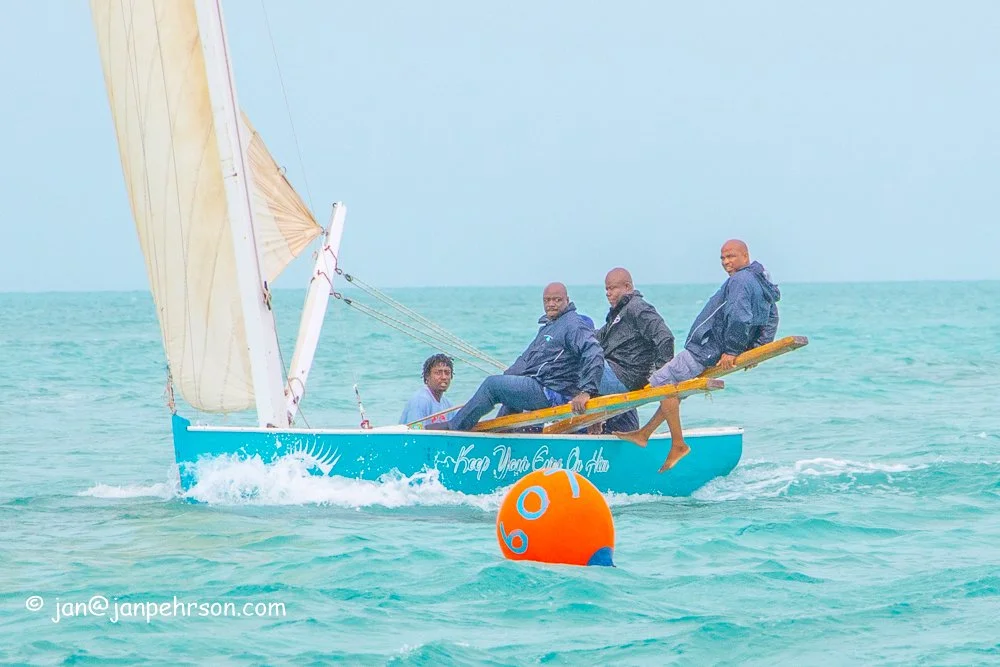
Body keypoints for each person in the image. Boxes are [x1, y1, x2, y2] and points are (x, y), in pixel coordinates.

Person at [616, 240, 780, 471]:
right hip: (715, 349)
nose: (726, 263)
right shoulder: (760, 280)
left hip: (706, 349)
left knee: (661, 385)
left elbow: (739, 316)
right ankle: (644, 434)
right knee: (674, 393)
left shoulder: (739, 281)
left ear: (745, 256)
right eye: (723, 258)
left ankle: (678, 444)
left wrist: (732, 350)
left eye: (731, 257)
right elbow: (771, 315)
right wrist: (758, 346)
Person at [426, 282, 604, 431]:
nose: (551, 304)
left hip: (551, 391)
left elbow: (594, 352)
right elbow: (525, 361)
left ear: (567, 300)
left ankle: (454, 427)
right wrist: (507, 380)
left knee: (491, 385)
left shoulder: (572, 324)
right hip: (539, 384)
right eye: (547, 300)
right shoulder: (550, 326)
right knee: (504, 394)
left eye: (557, 300)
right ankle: (497, 439)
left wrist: (587, 392)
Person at [594, 268, 675, 433]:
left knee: (572, 366)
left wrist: (661, 376)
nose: (608, 293)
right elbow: (596, 338)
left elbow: (665, 337)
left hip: (626, 376)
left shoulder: (637, 308)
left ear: (627, 287)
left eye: (613, 288)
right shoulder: (619, 313)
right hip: (621, 373)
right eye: (606, 289)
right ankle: (624, 433)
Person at [399, 354, 455, 427]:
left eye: (447, 373)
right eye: (438, 373)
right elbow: (415, 432)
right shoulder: (420, 400)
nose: (444, 377)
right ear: (427, 376)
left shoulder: (447, 403)